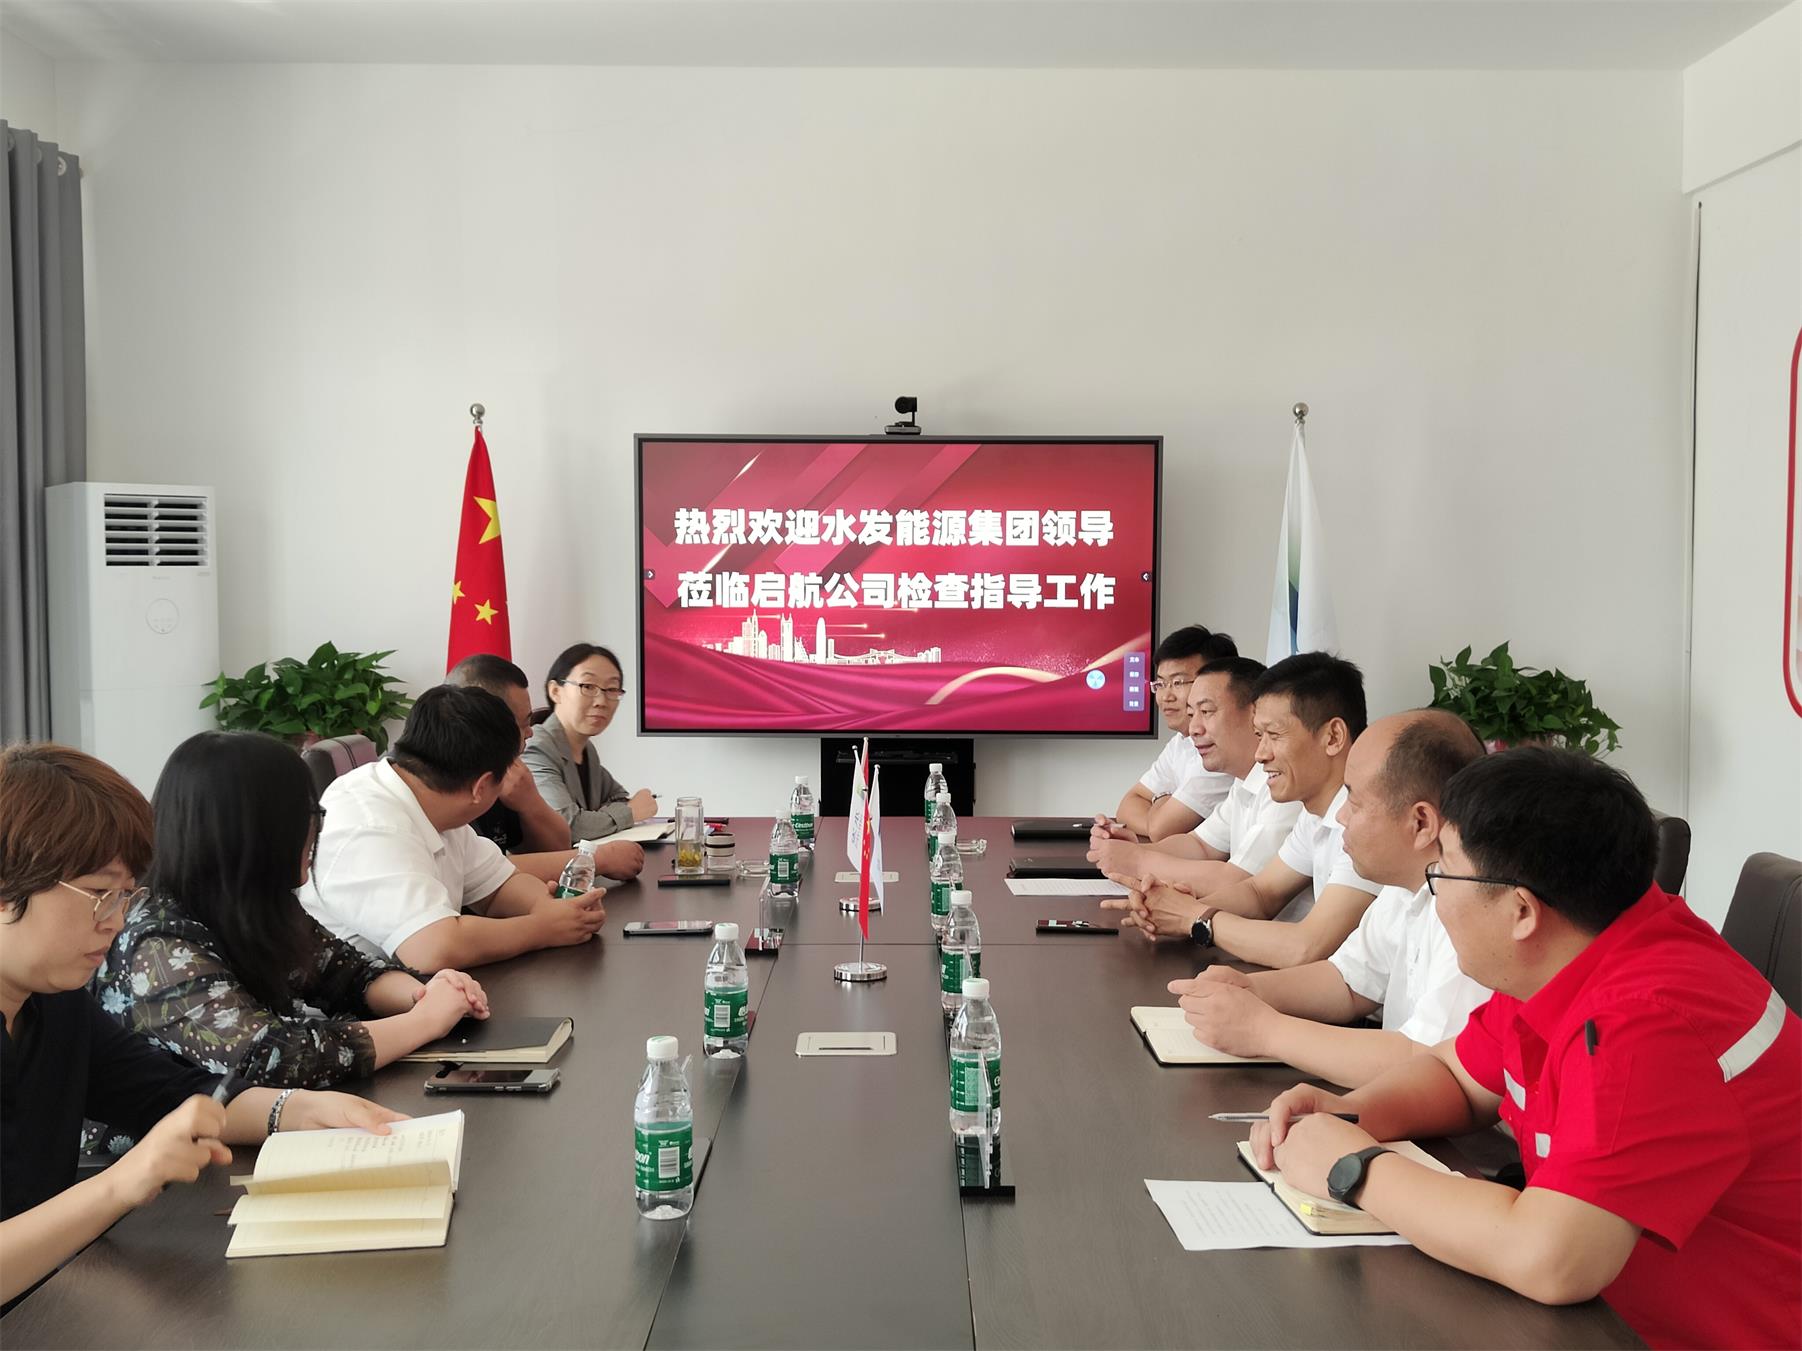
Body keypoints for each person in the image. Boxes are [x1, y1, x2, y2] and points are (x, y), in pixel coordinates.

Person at [1247, 749, 1801, 1348]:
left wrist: (1355, 1168)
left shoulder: (1648, 1021)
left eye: (1443, 873)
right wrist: (1352, 1114)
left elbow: (1551, 1259)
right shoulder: (1576, 949)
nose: (1436, 896)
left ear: (1520, 910)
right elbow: (1459, 1075)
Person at [0, 744, 405, 1308]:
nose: (116, 921)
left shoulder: (56, 1004)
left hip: (49, 1301)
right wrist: (120, 1183)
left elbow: (174, 1094)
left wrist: (298, 1109)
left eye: (125, 895)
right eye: (98, 895)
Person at [87, 731, 491, 1157]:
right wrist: (425, 1021)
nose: (315, 830)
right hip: (157, 1170)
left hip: (244, 1141)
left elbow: (345, 973)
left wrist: (427, 994)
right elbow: (272, 1057)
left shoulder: (256, 901)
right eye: (309, 815)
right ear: (260, 829)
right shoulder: (156, 941)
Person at [1165, 710, 1490, 1087]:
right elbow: (1348, 981)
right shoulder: (1407, 883)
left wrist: (1265, 1031)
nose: (1342, 816)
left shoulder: (1475, 912)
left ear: (1420, 823)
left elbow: (1429, 1063)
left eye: (1355, 801)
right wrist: (1250, 989)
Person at [301, 684, 608, 972]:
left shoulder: (432, 798)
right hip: (353, 1004)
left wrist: (554, 909)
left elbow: (498, 886)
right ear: (482, 787)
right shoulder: (371, 824)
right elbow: (432, 948)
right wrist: (542, 928)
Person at [1109, 652, 1380, 968]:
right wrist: (1170, 908)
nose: (1261, 754)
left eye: (1274, 735)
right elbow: (1260, 893)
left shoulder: (1370, 822)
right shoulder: (1315, 811)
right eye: (1259, 735)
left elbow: (1306, 947)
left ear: (1332, 737)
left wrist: (1193, 917)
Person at [1091, 657, 1300, 895]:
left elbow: (1240, 882)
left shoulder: (1286, 785)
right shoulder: (1244, 780)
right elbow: (1200, 845)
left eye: (1206, 712)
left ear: (1256, 713)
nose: (1193, 729)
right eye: (1191, 714)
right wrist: (1134, 850)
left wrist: (1138, 861)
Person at [447, 653, 644, 885]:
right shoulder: (447, 780)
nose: (530, 732)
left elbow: (557, 847)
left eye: (612, 689)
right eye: (588, 686)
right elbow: (478, 872)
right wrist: (596, 860)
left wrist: (530, 801)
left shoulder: (507, 772)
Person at [1111, 626, 1238, 840]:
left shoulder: (1222, 751)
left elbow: (1162, 829)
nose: (1165, 696)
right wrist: (1158, 814)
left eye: (1178, 682)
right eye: (1161, 684)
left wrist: (1158, 802)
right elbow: (1128, 805)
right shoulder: (1181, 741)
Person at [524, 644, 657, 841]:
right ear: (555, 691)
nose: (601, 701)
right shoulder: (536, 748)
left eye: (612, 689)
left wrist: (599, 819)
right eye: (588, 686)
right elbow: (568, 826)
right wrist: (630, 813)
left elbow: (618, 798)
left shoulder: (586, 749)